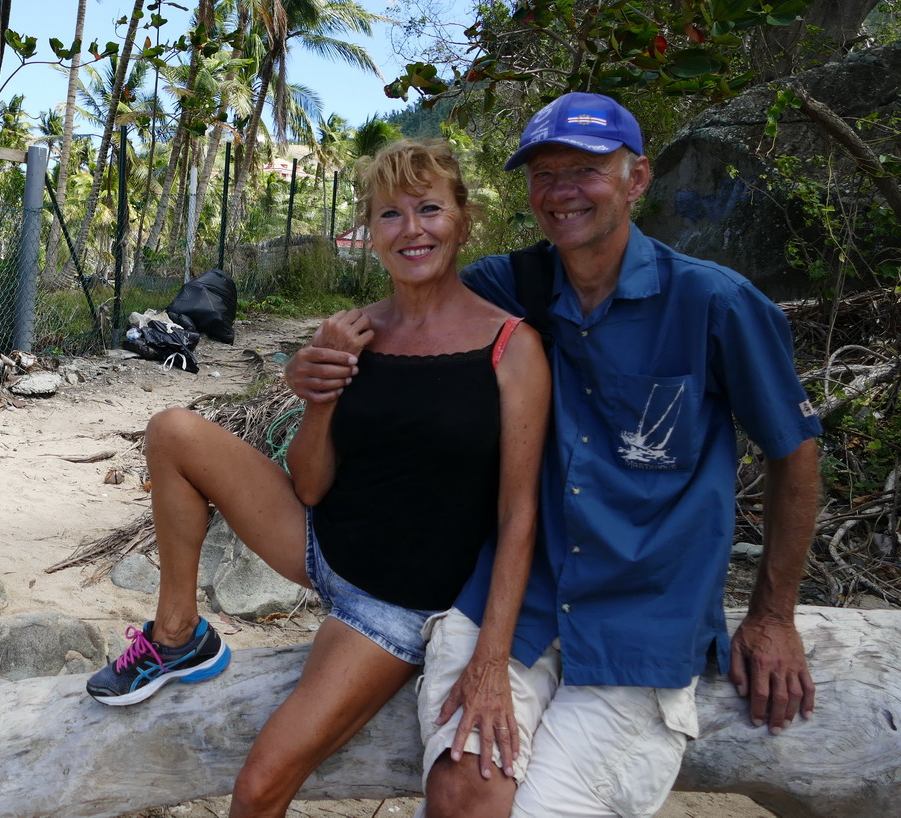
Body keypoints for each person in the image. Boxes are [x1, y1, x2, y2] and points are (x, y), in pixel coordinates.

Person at [286, 92, 823, 818]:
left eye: (586, 169)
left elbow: (795, 454)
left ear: (637, 179)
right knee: (462, 794)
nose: (562, 190)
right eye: (544, 174)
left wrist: (772, 617)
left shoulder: (713, 304)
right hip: (520, 598)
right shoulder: (508, 290)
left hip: (643, 614)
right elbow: (408, 317)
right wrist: (314, 366)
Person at [86, 139, 550, 817]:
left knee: (260, 786)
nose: (412, 229)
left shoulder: (511, 347)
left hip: (390, 608)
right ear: (370, 231)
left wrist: (489, 659)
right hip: (320, 545)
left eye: (429, 208)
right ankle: (179, 635)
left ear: (462, 218)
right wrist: (321, 392)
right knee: (172, 431)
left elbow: (519, 516)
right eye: (391, 215)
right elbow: (308, 484)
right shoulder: (358, 330)